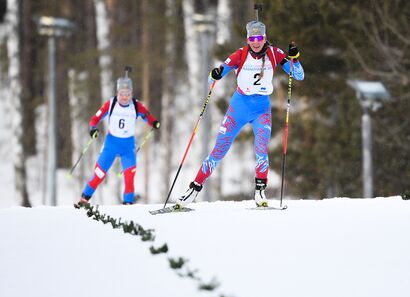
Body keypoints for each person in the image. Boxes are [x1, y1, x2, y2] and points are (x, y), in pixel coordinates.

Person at [175, 20, 304, 208]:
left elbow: (298, 75)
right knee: (219, 150)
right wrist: (216, 73)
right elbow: (213, 76)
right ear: (247, 38)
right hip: (238, 108)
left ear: (265, 37)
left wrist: (295, 58)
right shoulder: (240, 55)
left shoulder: (275, 54)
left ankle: (260, 191)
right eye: (252, 38)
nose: (256, 41)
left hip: (262, 110)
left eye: (259, 37)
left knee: (261, 149)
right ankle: (194, 189)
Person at [79, 74, 160, 205]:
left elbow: (147, 116)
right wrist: (93, 129)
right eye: (122, 94)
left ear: (131, 93)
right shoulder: (110, 104)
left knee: (129, 179)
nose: (124, 97)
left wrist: (154, 123)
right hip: (111, 144)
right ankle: (84, 199)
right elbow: (94, 119)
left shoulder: (136, 105)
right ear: (117, 92)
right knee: (99, 175)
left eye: (128, 94)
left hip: (128, 147)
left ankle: (127, 205)